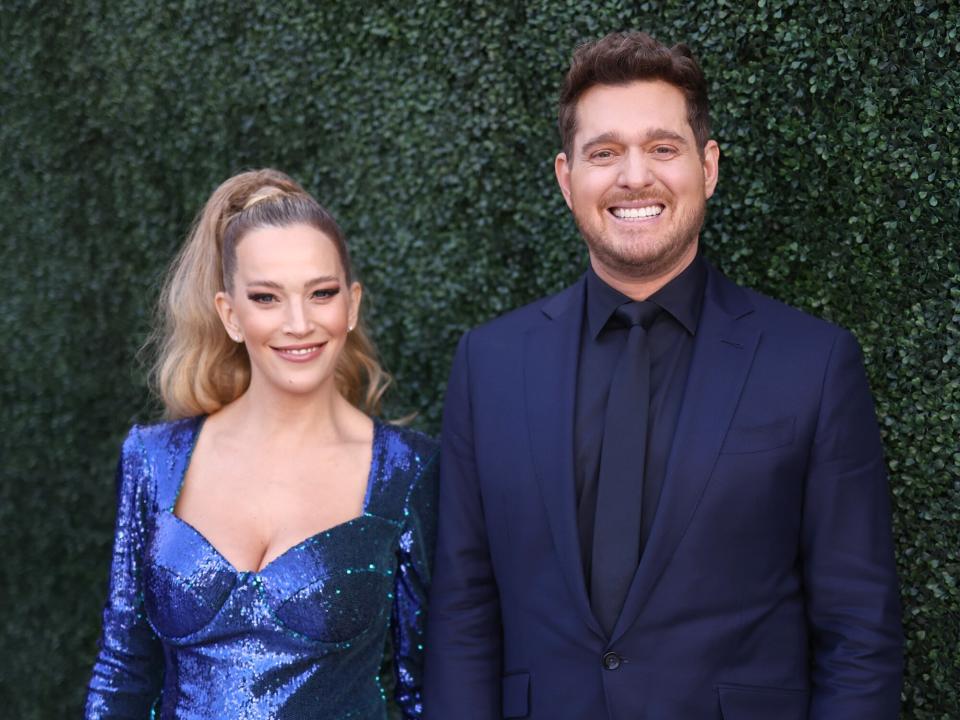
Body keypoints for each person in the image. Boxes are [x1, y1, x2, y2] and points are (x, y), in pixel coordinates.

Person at [424, 31, 902, 719]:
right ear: (567, 178)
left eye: (662, 147)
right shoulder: (490, 364)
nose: (634, 176)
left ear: (707, 167)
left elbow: (859, 627)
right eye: (604, 152)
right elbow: (464, 609)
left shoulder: (814, 363)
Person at [85, 169, 437, 719]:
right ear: (230, 314)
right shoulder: (152, 460)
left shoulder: (406, 470)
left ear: (352, 304)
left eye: (321, 293)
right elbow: (124, 670)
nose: (299, 323)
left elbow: (427, 688)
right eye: (267, 297)